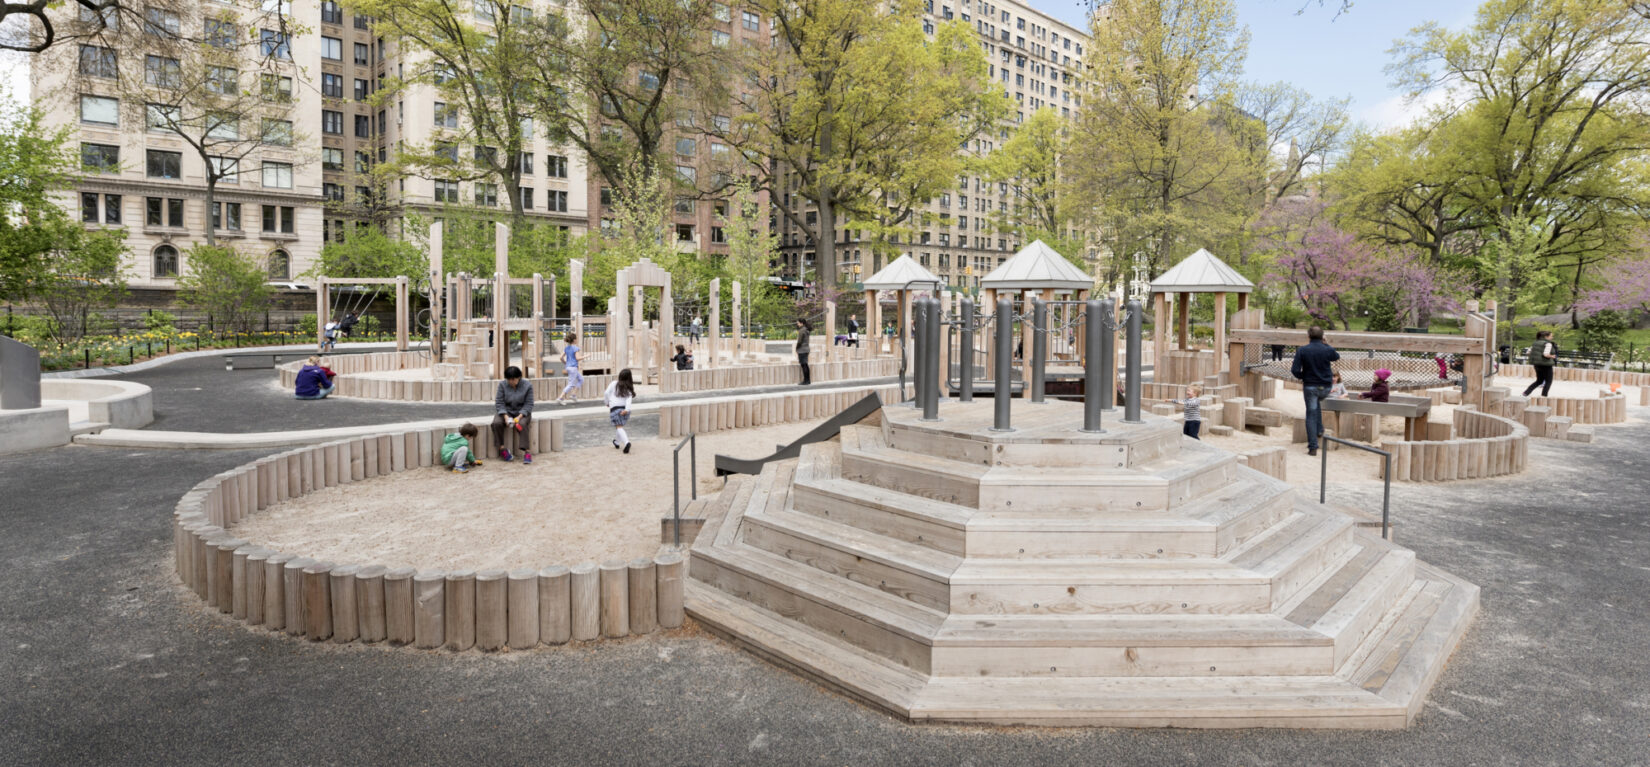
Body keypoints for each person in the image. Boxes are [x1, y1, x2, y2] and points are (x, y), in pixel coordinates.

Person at [1291, 325, 1340, 457]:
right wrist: (1326, 343)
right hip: (1325, 387)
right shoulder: (1326, 350)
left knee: (1311, 414)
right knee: (1316, 404)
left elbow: (1295, 370)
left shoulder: (1302, 350)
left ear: (1308, 336)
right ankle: (1319, 429)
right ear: (1323, 336)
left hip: (1310, 386)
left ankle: (1313, 446)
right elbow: (1336, 356)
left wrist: (1304, 377)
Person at [492, 365, 534, 464]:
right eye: (509, 379)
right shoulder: (502, 385)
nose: (511, 382)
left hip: (522, 412)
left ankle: (527, 451)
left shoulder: (527, 385)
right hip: (506, 411)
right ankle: (502, 449)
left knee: (522, 424)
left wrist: (519, 416)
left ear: (519, 377)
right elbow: (499, 402)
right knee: (496, 423)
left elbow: (529, 403)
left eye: (513, 379)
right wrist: (506, 416)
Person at [605, 368, 636, 453]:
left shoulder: (614, 383)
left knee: (618, 427)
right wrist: (627, 409)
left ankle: (627, 443)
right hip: (625, 410)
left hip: (615, 409)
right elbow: (629, 400)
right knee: (620, 427)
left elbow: (606, 393)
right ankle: (617, 442)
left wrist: (607, 402)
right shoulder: (629, 388)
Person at [1523, 330, 1558, 397]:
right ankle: (1544, 396)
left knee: (1539, 381)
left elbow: (1528, 352)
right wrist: (1552, 356)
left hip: (1536, 365)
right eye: (1551, 336)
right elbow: (1546, 354)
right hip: (1546, 365)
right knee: (1548, 381)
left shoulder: (1535, 343)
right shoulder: (1548, 344)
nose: (1552, 337)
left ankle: (1526, 393)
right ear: (1546, 337)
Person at [553, 332, 582, 405]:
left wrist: (565, 363)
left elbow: (560, 357)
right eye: (576, 339)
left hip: (569, 367)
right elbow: (578, 358)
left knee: (581, 379)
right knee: (571, 384)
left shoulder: (566, 348)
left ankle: (573, 395)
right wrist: (587, 356)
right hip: (573, 368)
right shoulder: (575, 348)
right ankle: (560, 398)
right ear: (574, 340)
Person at [795, 318, 812, 386]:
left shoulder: (802, 330)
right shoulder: (806, 329)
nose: (797, 324)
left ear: (801, 323)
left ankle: (806, 381)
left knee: (804, 365)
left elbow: (799, 341)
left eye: (798, 323)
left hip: (802, 350)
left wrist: (797, 348)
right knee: (805, 365)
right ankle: (808, 380)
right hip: (806, 349)